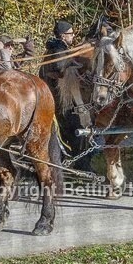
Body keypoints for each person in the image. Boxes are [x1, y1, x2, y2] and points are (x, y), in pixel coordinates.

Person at [41, 20, 93, 174]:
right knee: (78, 132)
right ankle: (81, 166)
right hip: (64, 103)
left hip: (63, 101)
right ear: (63, 35)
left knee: (70, 134)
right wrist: (72, 63)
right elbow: (59, 67)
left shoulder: (57, 48)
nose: (73, 36)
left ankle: (72, 163)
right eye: (70, 33)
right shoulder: (58, 49)